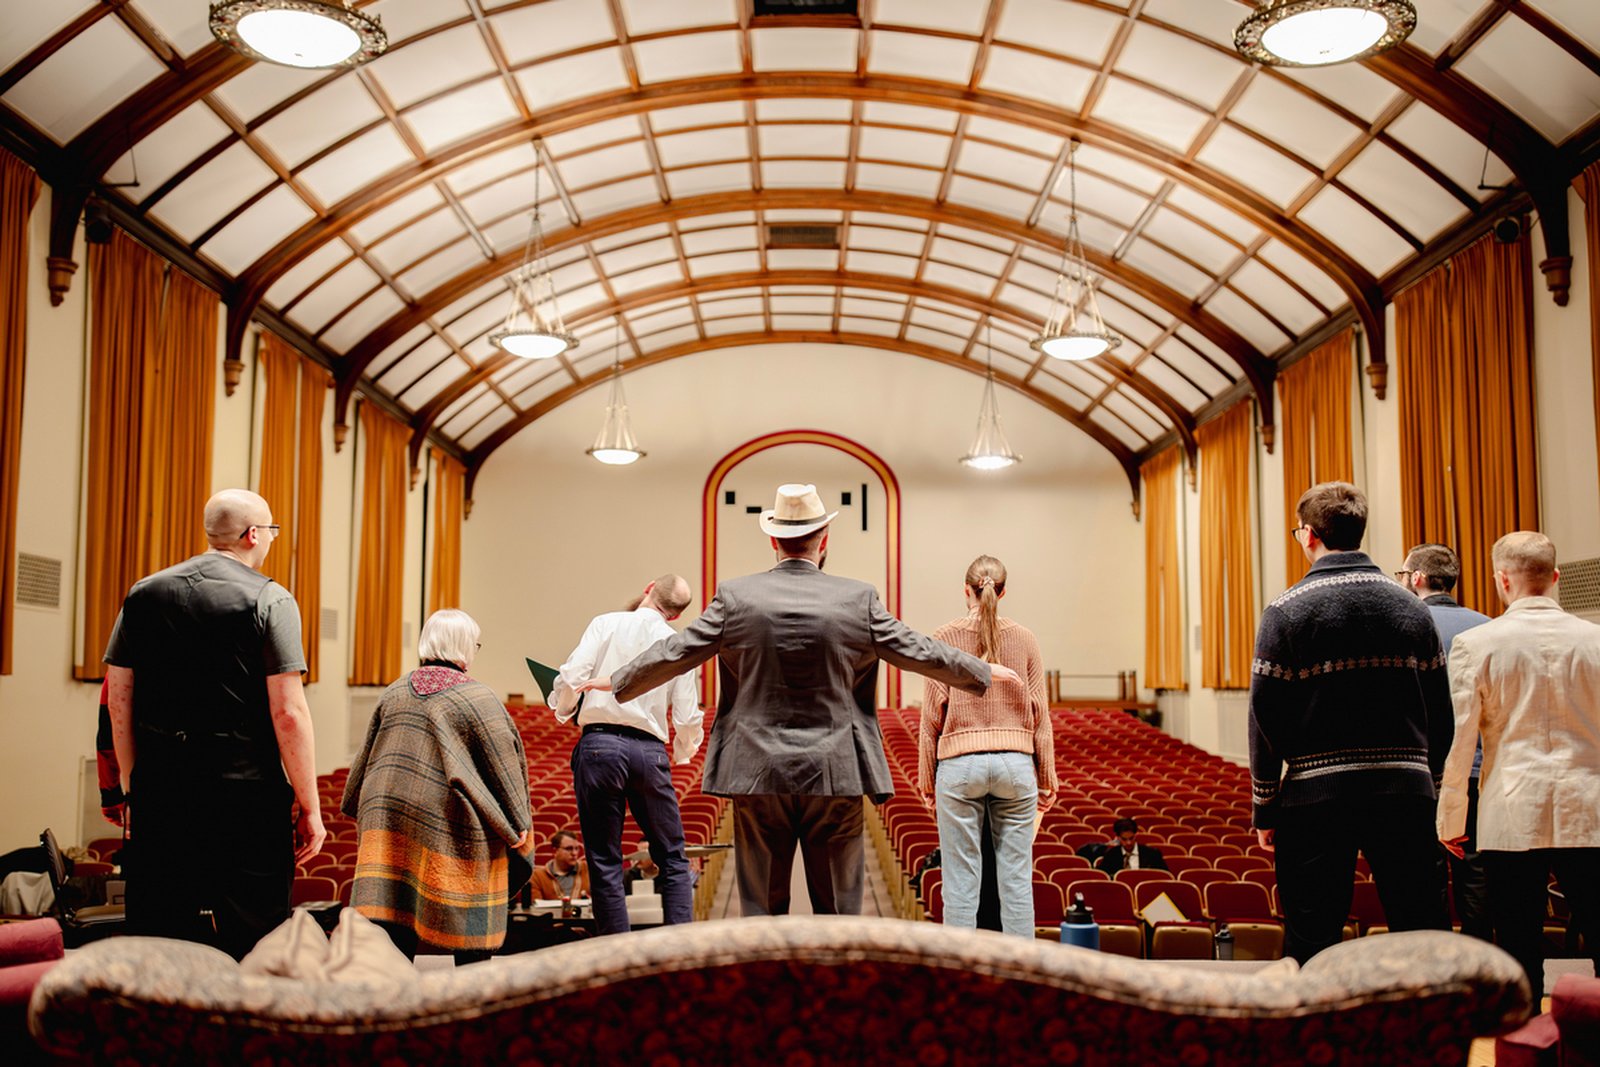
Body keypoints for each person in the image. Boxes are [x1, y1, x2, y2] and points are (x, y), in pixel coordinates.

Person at [578, 483, 1017, 917]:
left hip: (756, 770)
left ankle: (766, 985)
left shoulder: (735, 597)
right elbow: (918, 649)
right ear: (823, 539)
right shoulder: (858, 598)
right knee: (840, 912)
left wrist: (618, 679)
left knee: (761, 911)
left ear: (773, 539)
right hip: (837, 769)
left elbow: (676, 652)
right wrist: (981, 670)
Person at [103, 489, 324, 960]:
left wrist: (130, 780)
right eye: (271, 531)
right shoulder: (271, 598)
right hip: (245, 795)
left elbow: (118, 698)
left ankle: (164, 1028)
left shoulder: (144, 593)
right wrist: (310, 806)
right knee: (257, 936)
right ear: (252, 535)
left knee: (160, 936)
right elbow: (288, 713)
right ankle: (246, 1028)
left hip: (161, 790)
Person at [1248, 481, 1452, 964]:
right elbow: (1440, 710)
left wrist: (1265, 803)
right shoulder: (1412, 608)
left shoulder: (1285, 611)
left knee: (1313, 930)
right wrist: (1434, 786)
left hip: (1316, 798)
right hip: (1404, 792)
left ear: (1309, 536)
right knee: (1420, 924)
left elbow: (1266, 715)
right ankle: (1427, 1032)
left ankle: (1317, 1033)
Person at [1438, 532, 1600, 996]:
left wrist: (1452, 817)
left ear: (1500, 580)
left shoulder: (1477, 643)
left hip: (1511, 809)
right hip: (1589, 806)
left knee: (1517, 940)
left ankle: (1523, 1044)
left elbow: (1462, 739)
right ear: (1554, 577)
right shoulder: (1596, 641)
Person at [342, 609, 532, 965]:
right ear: (465, 646)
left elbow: (364, 760)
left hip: (386, 816)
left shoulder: (394, 691)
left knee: (393, 908)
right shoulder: (479, 698)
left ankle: (397, 1000)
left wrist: (358, 801)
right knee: (471, 920)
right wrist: (518, 823)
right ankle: (470, 996)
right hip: (446, 816)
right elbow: (504, 766)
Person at [551, 575, 703, 935]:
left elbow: (573, 676)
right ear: (676, 615)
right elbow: (686, 715)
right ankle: (680, 950)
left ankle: (615, 951)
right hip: (649, 750)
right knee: (673, 858)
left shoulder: (606, 623)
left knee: (604, 859)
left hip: (601, 743)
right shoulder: (678, 643)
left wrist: (563, 708)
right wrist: (682, 753)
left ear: (649, 587)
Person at [917, 555, 1054, 937]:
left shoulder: (944, 635)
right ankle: (1021, 975)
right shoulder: (1025, 638)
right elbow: (1040, 714)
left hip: (960, 766)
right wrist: (1047, 778)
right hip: (1016, 764)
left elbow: (931, 719)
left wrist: (927, 782)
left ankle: (961, 978)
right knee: (1016, 880)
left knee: (961, 880)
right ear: (1003, 591)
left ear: (966, 591)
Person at [1398, 542, 1491, 940]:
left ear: (1416, 579)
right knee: (1476, 871)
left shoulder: (1401, 626)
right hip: (1477, 769)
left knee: (1422, 873)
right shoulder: (1489, 626)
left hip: (1420, 772)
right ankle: (1480, 961)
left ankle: (1435, 967)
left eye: (1402, 575)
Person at [528, 829, 591, 901]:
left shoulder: (588, 869)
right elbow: (535, 909)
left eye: (577, 848)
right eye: (569, 849)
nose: (574, 853)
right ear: (555, 851)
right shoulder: (537, 876)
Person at [1095, 818, 1169, 875]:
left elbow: (1164, 877)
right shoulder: (1111, 855)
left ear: (1136, 835)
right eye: (1124, 839)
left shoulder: (1153, 854)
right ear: (1117, 837)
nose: (1129, 843)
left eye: (1131, 838)